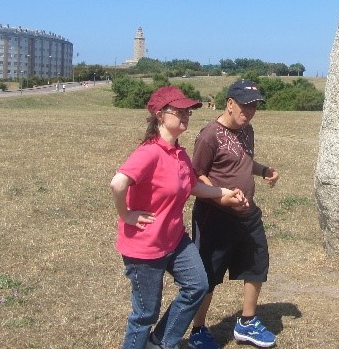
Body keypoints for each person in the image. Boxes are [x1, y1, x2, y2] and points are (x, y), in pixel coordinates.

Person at [110, 85, 247, 349]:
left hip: (174, 239)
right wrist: (125, 214)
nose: (185, 116)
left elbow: (192, 185)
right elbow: (117, 183)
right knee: (144, 314)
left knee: (197, 285)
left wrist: (223, 192)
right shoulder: (149, 152)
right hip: (145, 247)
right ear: (160, 115)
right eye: (178, 111)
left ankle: (160, 343)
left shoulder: (178, 152)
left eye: (188, 112)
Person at [188, 79, 280, 349]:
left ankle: (247, 323)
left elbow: (244, 161)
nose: (250, 111)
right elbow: (197, 175)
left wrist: (264, 171)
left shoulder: (247, 130)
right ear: (229, 104)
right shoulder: (209, 135)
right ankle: (198, 330)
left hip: (247, 212)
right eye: (245, 106)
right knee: (208, 274)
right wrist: (220, 194)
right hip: (214, 216)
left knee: (256, 263)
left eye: (254, 107)